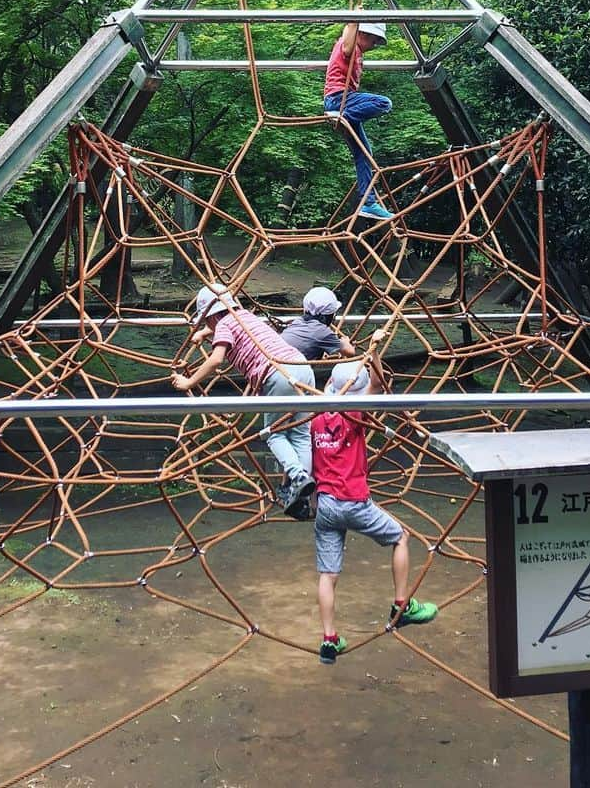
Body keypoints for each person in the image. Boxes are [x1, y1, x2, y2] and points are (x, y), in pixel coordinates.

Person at [311, 346, 438, 665]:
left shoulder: (316, 418)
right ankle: (401, 605)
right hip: (352, 500)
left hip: (325, 504)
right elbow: (379, 384)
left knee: (328, 574)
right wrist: (374, 352)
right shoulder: (354, 413)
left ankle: (329, 640)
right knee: (400, 537)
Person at [171, 283, 316, 515]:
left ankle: (297, 477)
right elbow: (225, 326)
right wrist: (204, 332)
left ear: (211, 315)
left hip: (278, 375)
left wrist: (189, 382)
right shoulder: (244, 316)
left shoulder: (222, 325)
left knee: (274, 433)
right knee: (300, 434)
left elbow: (216, 359)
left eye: (205, 321)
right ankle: (301, 493)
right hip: (302, 368)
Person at [324, 20, 394, 221]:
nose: (375, 46)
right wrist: (354, 17)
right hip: (339, 100)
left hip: (345, 105)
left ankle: (368, 202)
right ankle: (342, 117)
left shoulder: (357, 51)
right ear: (363, 34)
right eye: (375, 40)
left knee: (364, 153)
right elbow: (347, 39)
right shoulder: (350, 46)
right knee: (383, 103)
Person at [281, 286, 356, 361]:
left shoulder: (297, 322)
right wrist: (345, 342)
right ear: (329, 316)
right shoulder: (323, 332)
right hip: (291, 369)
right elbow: (350, 352)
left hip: (277, 363)